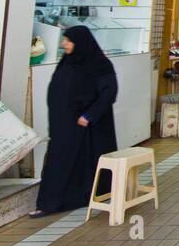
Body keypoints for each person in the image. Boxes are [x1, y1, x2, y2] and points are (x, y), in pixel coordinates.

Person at [29, 26, 118, 217]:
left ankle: (71, 198)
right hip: (64, 124)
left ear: (81, 43)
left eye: (68, 41)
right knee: (60, 159)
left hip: (88, 126)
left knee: (79, 160)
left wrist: (89, 115)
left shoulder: (99, 65)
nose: (63, 44)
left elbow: (108, 93)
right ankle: (51, 202)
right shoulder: (68, 62)